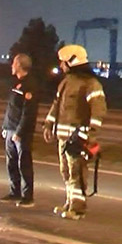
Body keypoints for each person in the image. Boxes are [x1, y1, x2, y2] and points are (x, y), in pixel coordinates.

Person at [42, 44, 107, 220]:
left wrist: (90, 135)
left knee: (77, 173)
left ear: (72, 61)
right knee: (66, 171)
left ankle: (78, 208)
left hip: (78, 137)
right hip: (63, 137)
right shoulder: (65, 82)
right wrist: (48, 125)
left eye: (63, 62)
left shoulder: (91, 84)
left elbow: (98, 111)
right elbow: (56, 106)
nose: (61, 66)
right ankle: (69, 203)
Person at [0, 53, 39, 207]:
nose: (11, 66)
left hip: (20, 133)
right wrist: (5, 127)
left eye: (14, 63)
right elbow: (12, 108)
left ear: (20, 65)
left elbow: (29, 112)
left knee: (24, 164)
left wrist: (19, 132)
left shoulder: (30, 85)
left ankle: (28, 196)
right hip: (10, 129)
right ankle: (15, 192)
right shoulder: (17, 84)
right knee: (11, 163)